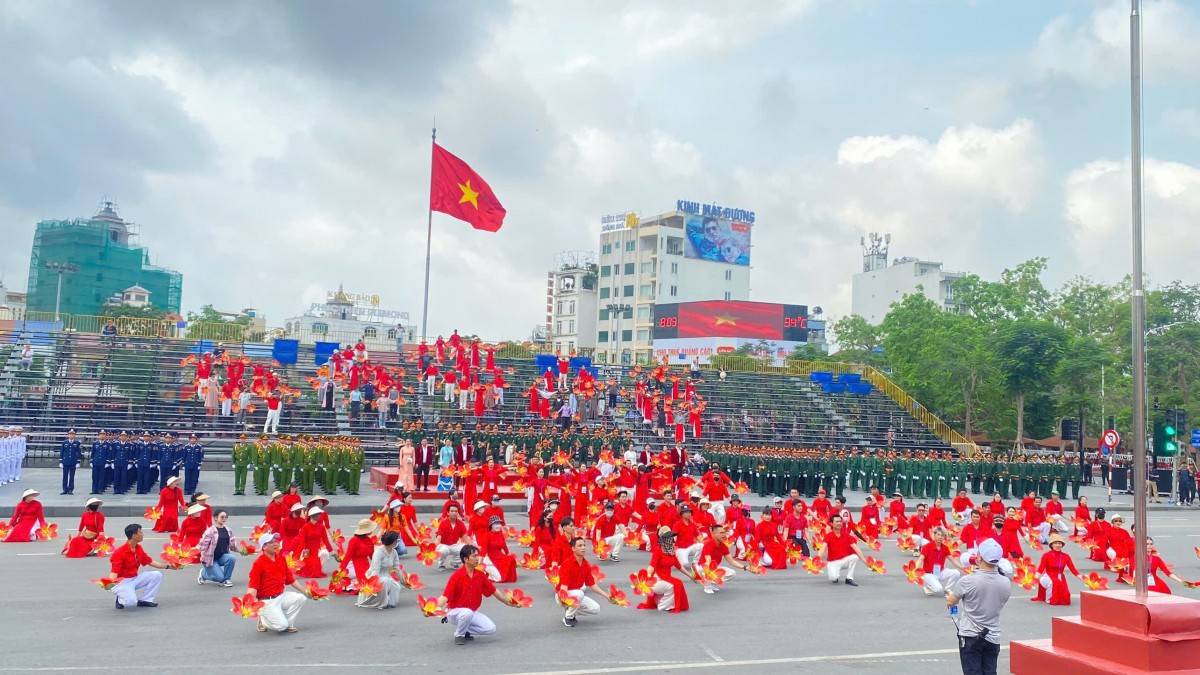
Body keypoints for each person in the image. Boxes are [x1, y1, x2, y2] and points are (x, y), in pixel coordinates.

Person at [947, 539, 1011, 675]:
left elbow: (951, 601)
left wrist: (950, 598)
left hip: (970, 635)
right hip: (993, 636)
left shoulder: (968, 580)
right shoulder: (1006, 582)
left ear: (979, 557)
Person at [436, 545, 523, 645]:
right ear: (465, 559)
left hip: (470, 612)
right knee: (467, 613)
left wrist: (510, 603)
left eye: (477, 556)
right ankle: (459, 635)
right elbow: (445, 597)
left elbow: (495, 592)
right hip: (454, 612)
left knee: (491, 629)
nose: (477, 559)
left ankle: (464, 630)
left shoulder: (481, 575)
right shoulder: (456, 576)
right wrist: (432, 609)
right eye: (474, 556)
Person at [247, 533, 308, 633]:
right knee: (280, 626)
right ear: (264, 547)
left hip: (280, 596)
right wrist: (249, 602)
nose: (275, 544)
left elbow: (291, 579)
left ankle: (288, 623)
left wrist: (306, 592)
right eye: (271, 542)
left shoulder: (281, 559)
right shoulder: (258, 563)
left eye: (275, 541)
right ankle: (263, 620)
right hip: (266, 601)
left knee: (301, 598)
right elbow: (253, 586)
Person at [110, 523, 173, 609]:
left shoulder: (138, 548)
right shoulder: (119, 552)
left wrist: (169, 566)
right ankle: (120, 597)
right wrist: (109, 583)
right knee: (131, 602)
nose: (142, 534)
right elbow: (114, 571)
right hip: (123, 581)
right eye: (140, 532)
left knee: (156, 575)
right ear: (133, 535)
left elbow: (151, 562)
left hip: (135, 578)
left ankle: (146, 600)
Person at [557, 536, 613, 627]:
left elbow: (592, 584)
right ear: (573, 549)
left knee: (596, 609)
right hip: (563, 594)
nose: (583, 547)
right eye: (579, 546)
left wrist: (607, 596)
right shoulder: (567, 564)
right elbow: (563, 586)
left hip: (576, 595)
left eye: (584, 545)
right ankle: (568, 617)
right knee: (580, 593)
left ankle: (570, 610)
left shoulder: (586, 565)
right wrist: (563, 600)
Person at [357, 530, 408, 609]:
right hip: (375, 576)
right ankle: (381, 603)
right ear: (391, 542)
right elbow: (375, 570)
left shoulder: (394, 552)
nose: (397, 542)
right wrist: (373, 585)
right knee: (386, 581)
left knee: (396, 586)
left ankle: (390, 602)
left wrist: (403, 581)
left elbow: (397, 568)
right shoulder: (378, 552)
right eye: (396, 541)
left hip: (386, 576)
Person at [824, 514, 868, 586]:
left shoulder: (847, 535)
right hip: (833, 562)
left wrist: (865, 562)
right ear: (831, 524)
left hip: (843, 561)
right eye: (837, 521)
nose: (839, 523)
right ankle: (835, 574)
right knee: (833, 578)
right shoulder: (828, 536)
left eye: (840, 521)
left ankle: (849, 578)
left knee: (854, 557)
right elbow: (823, 549)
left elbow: (856, 549)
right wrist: (817, 559)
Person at [197, 510, 238, 587]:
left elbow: (233, 546)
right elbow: (202, 545)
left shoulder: (228, 530)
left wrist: (243, 551)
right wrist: (190, 552)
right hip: (209, 560)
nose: (224, 519)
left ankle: (226, 579)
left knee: (231, 558)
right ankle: (203, 574)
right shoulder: (210, 531)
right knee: (220, 578)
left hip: (221, 557)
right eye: (222, 517)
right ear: (215, 518)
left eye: (226, 517)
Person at [59, 429, 82, 495]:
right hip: (65, 461)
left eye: (73, 434)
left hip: (73, 462)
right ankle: (65, 489)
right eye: (70, 434)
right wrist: (60, 461)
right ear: (68, 435)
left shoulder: (77, 443)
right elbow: (62, 452)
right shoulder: (64, 442)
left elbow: (78, 452)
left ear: (75, 435)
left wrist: (78, 462)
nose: (71, 435)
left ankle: (70, 489)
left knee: (72, 476)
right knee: (65, 476)